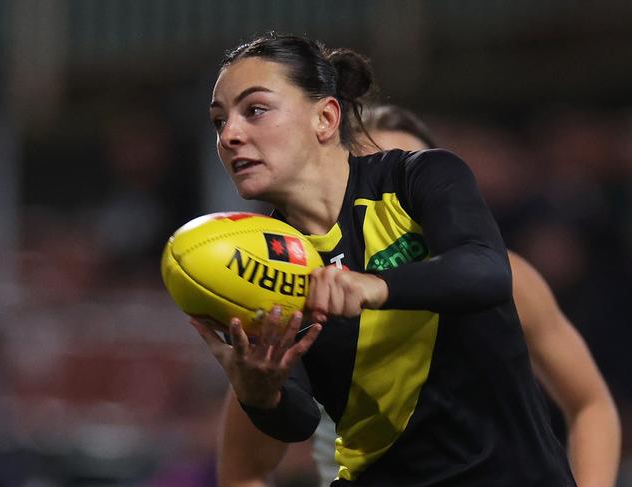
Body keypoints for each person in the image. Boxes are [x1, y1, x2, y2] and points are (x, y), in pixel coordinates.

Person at [192, 33, 577, 485]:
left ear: (325, 117)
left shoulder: (419, 177)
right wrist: (261, 393)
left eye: (254, 110)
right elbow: (298, 421)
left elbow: (486, 270)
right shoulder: (262, 260)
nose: (230, 135)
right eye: (219, 121)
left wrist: (375, 285)